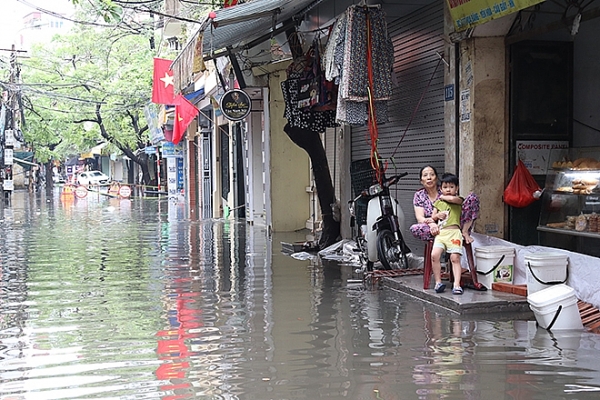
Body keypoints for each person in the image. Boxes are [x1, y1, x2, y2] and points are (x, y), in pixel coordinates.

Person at [430, 173, 465, 295]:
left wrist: (441, 197)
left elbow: (451, 199)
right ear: (441, 188)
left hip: (455, 233)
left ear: (457, 188)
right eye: (445, 187)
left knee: (455, 258)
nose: (448, 190)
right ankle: (438, 282)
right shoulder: (438, 203)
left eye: (451, 187)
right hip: (441, 233)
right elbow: (432, 217)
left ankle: (456, 284)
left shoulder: (459, 200)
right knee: (434, 255)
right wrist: (437, 216)